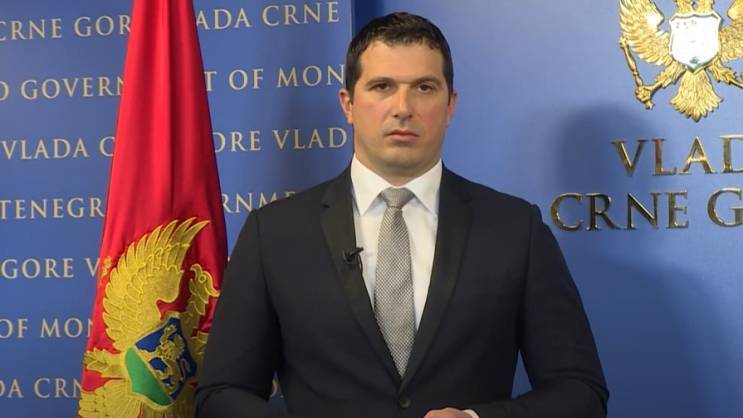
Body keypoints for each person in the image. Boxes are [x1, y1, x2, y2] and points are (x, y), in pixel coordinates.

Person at [196, 12, 608, 418]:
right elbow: (221, 394)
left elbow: (580, 393)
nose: (403, 108)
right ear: (348, 104)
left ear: (451, 105)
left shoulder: (515, 229)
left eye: (424, 87)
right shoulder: (274, 233)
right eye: (382, 86)